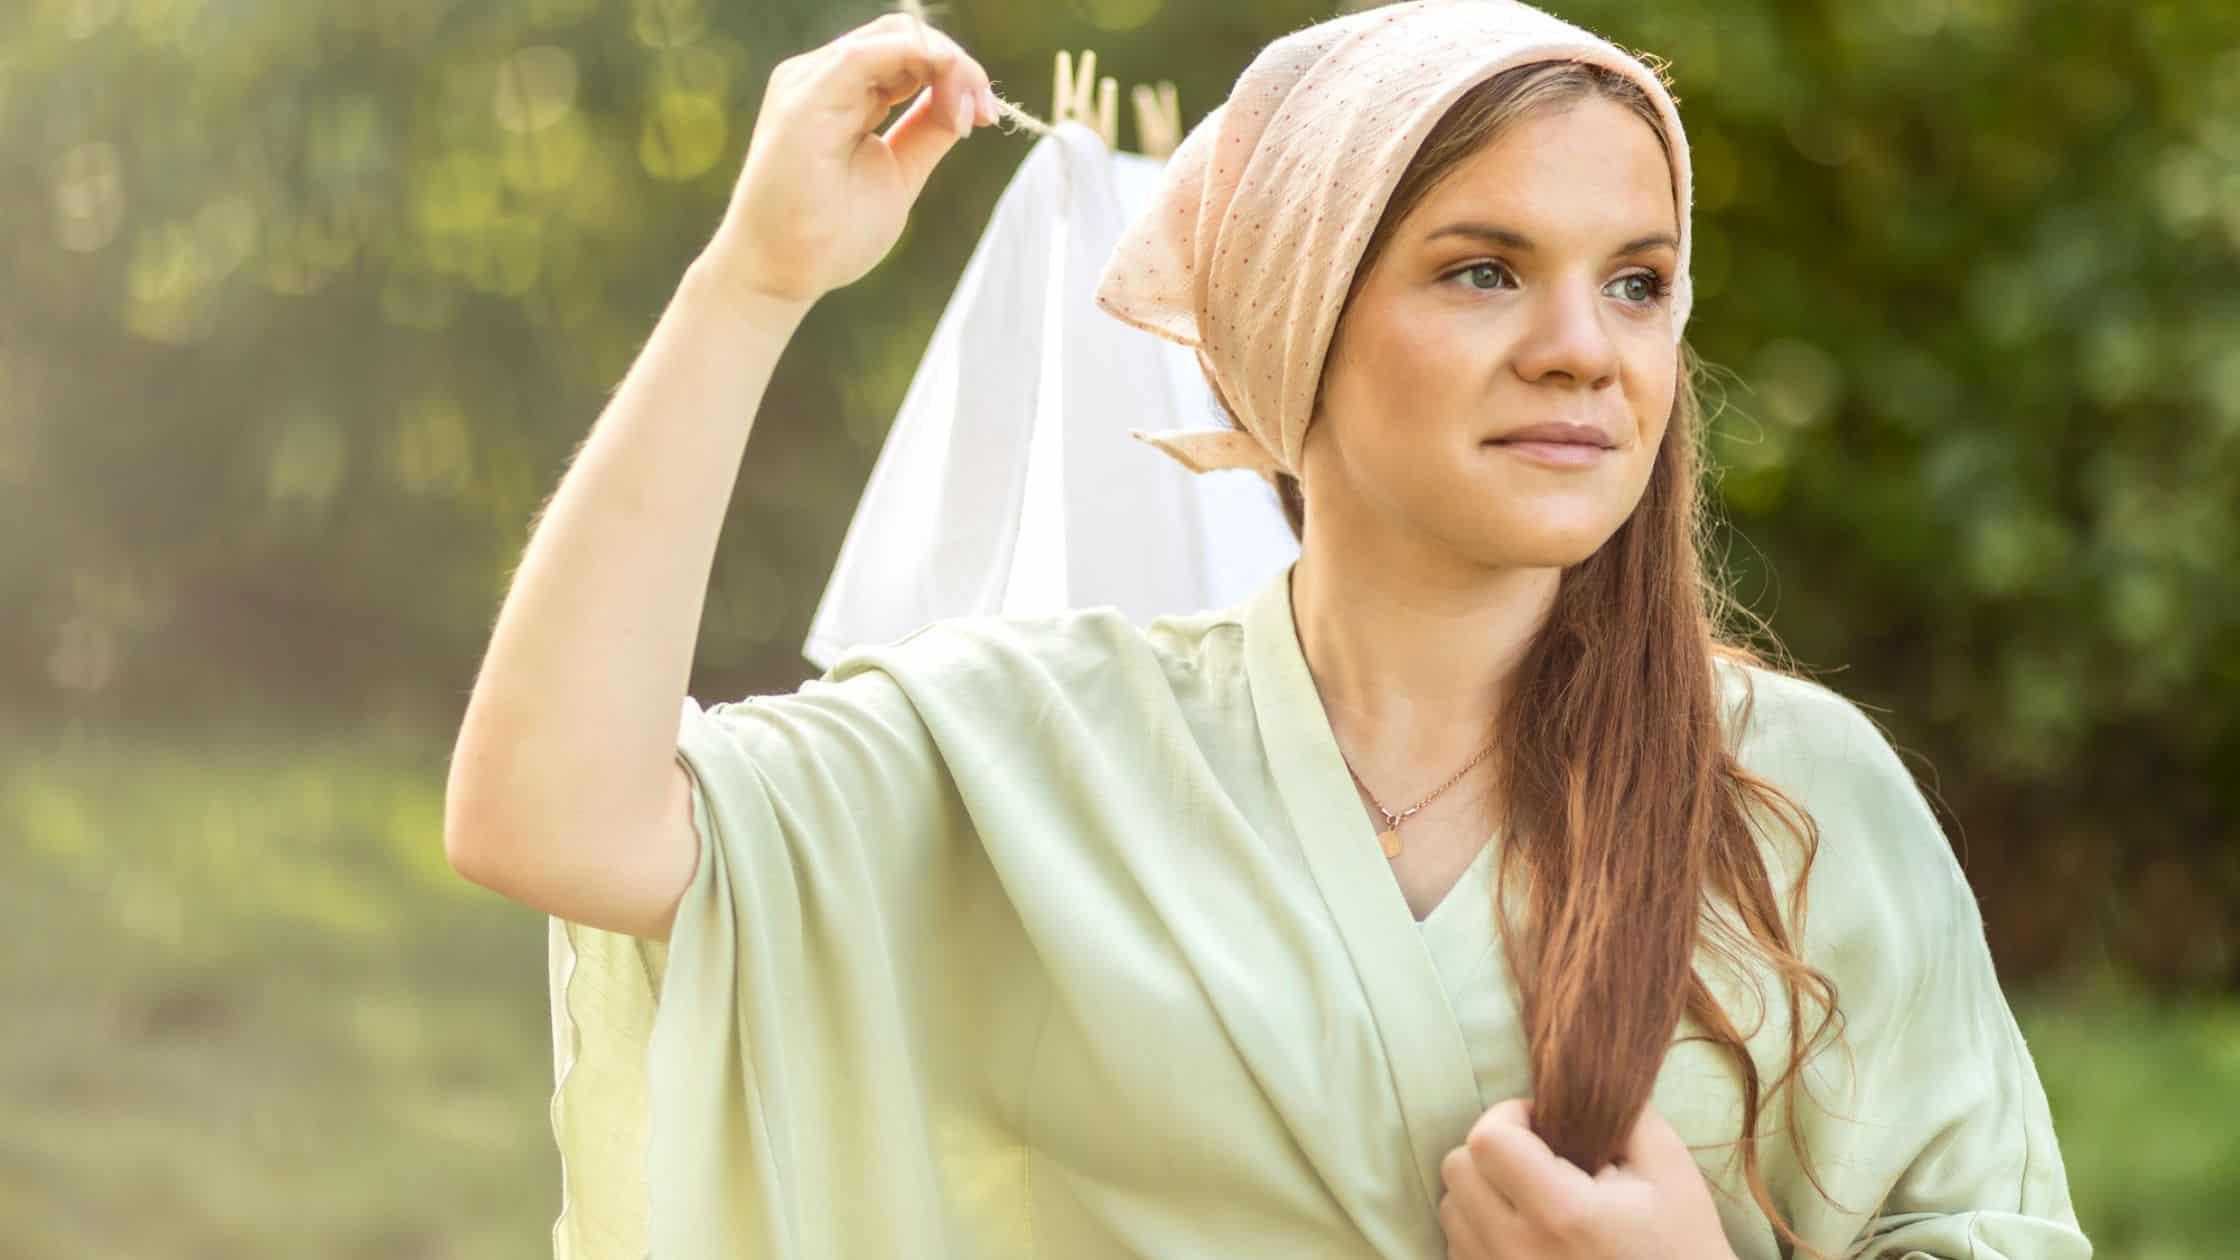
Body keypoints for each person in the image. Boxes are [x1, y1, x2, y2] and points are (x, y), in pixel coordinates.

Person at [443, 4, 2093, 1258]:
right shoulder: (1044, 757)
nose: (1586, 349)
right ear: (1294, 327)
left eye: (1640, 281)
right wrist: (754, 279)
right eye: (1482, 271)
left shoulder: (1800, 797)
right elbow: (549, 815)